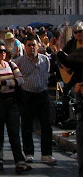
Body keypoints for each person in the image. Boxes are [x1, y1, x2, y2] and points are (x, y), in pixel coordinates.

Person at [0, 42, 30, 173]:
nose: (2, 53)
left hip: (12, 102)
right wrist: (12, 83)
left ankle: (19, 160)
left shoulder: (11, 65)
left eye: (4, 51)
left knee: (14, 132)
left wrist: (4, 82)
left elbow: (20, 80)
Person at [13, 35, 56, 165]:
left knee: (46, 124)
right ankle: (29, 153)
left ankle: (47, 153)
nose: (32, 47)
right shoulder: (19, 62)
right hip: (27, 95)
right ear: (25, 47)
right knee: (27, 125)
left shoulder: (45, 60)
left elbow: (47, 73)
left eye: (34, 45)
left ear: (38, 46)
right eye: (29, 45)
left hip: (42, 93)